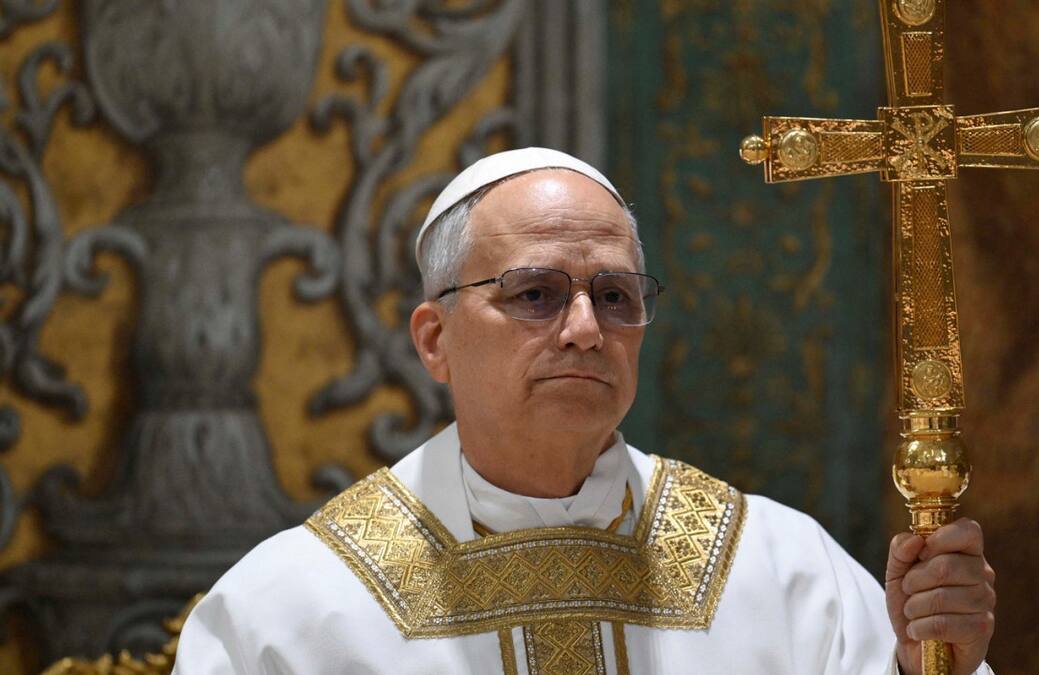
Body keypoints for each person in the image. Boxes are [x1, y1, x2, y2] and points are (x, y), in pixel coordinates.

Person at [173, 148, 995, 674]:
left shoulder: (778, 569)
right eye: (535, 294)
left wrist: (929, 669)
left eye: (615, 296)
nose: (584, 330)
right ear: (435, 338)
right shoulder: (296, 604)